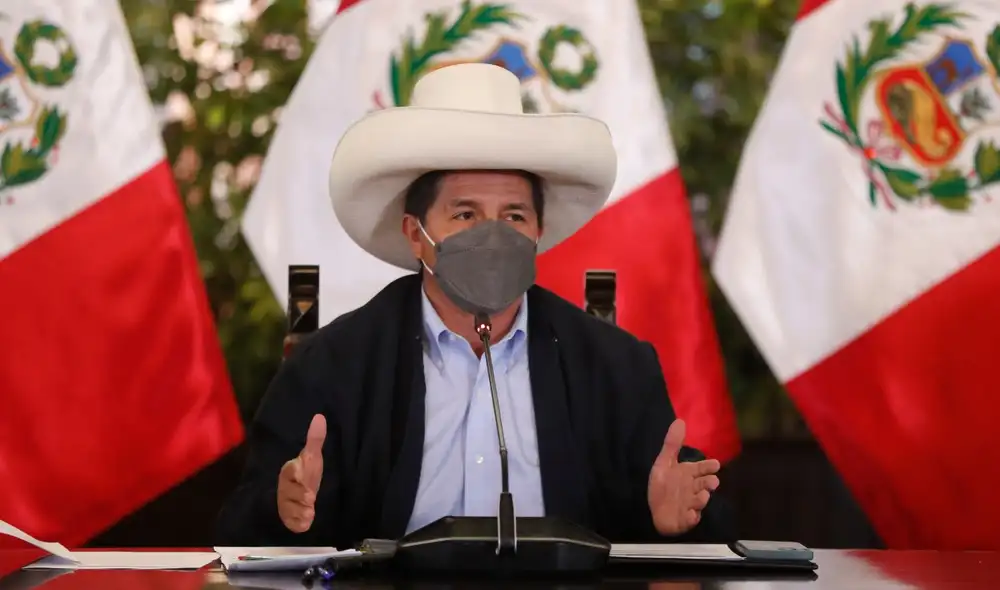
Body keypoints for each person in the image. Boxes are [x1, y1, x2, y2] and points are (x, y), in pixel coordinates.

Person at [217, 63, 735, 548]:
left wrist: (669, 520)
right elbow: (240, 529)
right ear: (415, 234)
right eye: (465, 214)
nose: (492, 235)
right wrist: (283, 510)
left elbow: (689, 519)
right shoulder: (334, 366)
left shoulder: (614, 365)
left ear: (539, 231)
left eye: (513, 216)